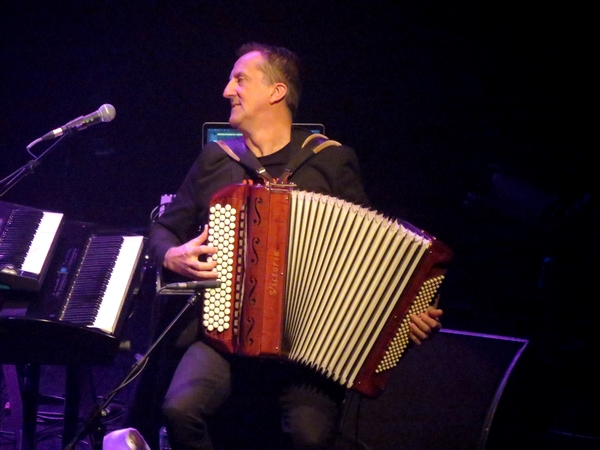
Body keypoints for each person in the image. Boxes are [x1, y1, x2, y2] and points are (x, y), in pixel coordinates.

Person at [148, 42, 443, 450]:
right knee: (180, 410)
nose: (227, 91)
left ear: (277, 91)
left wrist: (403, 310)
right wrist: (170, 255)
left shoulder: (331, 161)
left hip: (308, 350)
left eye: (240, 79)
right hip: (225, 337)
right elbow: (164, 229)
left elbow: (374, 257)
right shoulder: (215, 160)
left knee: (310, 436)